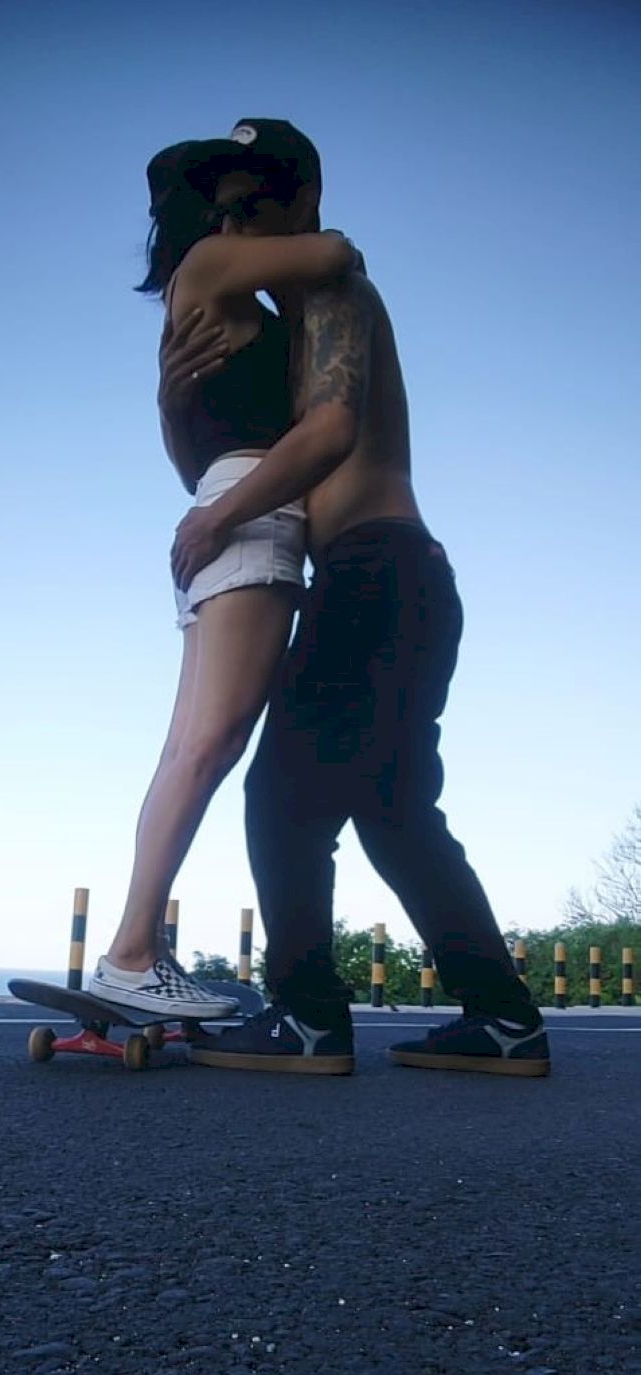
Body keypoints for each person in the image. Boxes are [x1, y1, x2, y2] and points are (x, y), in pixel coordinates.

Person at [162, 118, 549, 1077]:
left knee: (283, 798)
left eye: (255, 207)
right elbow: (225, 456)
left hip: (376, 570)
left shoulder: (334, 294)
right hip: (398, 578)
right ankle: (504, 1022)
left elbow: (331, 431)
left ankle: (306, 1019)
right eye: (223, 215)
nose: (235, 229)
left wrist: (216, 523)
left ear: (304, 198)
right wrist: (177, 403)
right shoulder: (288, 321)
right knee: (396, 809)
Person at [86, 135, 359, 1020]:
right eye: (227, 200)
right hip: (247, 511)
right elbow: (335, 254)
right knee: (209, 745)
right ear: (203, 212)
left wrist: (171, 409)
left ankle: (131, 951)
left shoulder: (192, 289)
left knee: (186, 749)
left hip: (215, 504)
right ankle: (132, 955)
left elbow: (187, 456)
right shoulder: (212, 262)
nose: (240, 214)